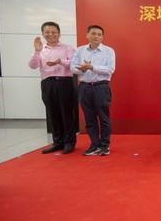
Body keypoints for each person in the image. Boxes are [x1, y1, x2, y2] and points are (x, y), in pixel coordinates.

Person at [28, 21, 77, 154]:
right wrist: (36, 51)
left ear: (59, 33)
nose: (51, 34)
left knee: (66, 113)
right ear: (43, 34)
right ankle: (58, 142)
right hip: (47, 83)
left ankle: (69, 142)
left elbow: (74, 64)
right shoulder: (40, 50)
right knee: (53, 113)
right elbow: (32, 66)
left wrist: (60, 61)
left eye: (54, 32)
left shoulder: (67, 48)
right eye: (47, 32)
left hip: (64, 82)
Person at [71, 25, 115, 156]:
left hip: (101, 87)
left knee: (104, 117)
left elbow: (110, 69)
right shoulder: (80, 50)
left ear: (102, 37)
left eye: (99, 34)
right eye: (93, 33)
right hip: (84, 87)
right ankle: (94, 144)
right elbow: (73, 68)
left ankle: (105, 146)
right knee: (89, 118)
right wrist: (82, 69)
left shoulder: (108, 51)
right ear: (87, 35)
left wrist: (91, 67)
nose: (96, 36)